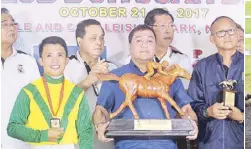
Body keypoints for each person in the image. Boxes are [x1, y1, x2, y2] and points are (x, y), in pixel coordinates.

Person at [92, 25, 198, 149]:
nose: (144, 45)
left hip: (165, 145)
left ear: (155, 45)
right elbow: (101, 110)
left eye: (150, 40)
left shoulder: (170, 78)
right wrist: (99, 125)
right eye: (139, 41)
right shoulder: (116, 77)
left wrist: (192, 122)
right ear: (129, 46)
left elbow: (186, 109)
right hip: (128, 145)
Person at [7, 36, 93, 149]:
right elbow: (13, 128)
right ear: (41, 61)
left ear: (67, 60)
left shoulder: (77, 92)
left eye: (60, 55)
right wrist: (42, 135)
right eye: (49, 55)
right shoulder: (28, 91)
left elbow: (85, 131)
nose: (55, 60)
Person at [189, 16, 244, 149]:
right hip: (209, 142)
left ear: (238, 34)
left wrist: (242, 117)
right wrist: (208, 112)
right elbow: (192, 105)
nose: (227, 36)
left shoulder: (247, 65)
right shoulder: (202, 67)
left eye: (231, 30)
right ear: (212, 39)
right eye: (220, 32)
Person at [63, 19, 117, 149]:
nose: (99, 42)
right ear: (79, 41)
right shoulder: (65, 66)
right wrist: (87, 81)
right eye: (93, 38)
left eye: (101, 38)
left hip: (107, 138)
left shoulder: (113, 68)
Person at [1, 8, 41, 149]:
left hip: (19, 141)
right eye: (4, 24)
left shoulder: (27, 61)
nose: (11, 28)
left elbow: (37, 100)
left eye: (13, 24)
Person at [145, 8, 194, 90]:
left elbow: (189, 91)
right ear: (149, 29)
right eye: (162, 26)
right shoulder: (138, 58)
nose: (168, 31)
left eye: (171, 26)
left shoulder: (182, 59)